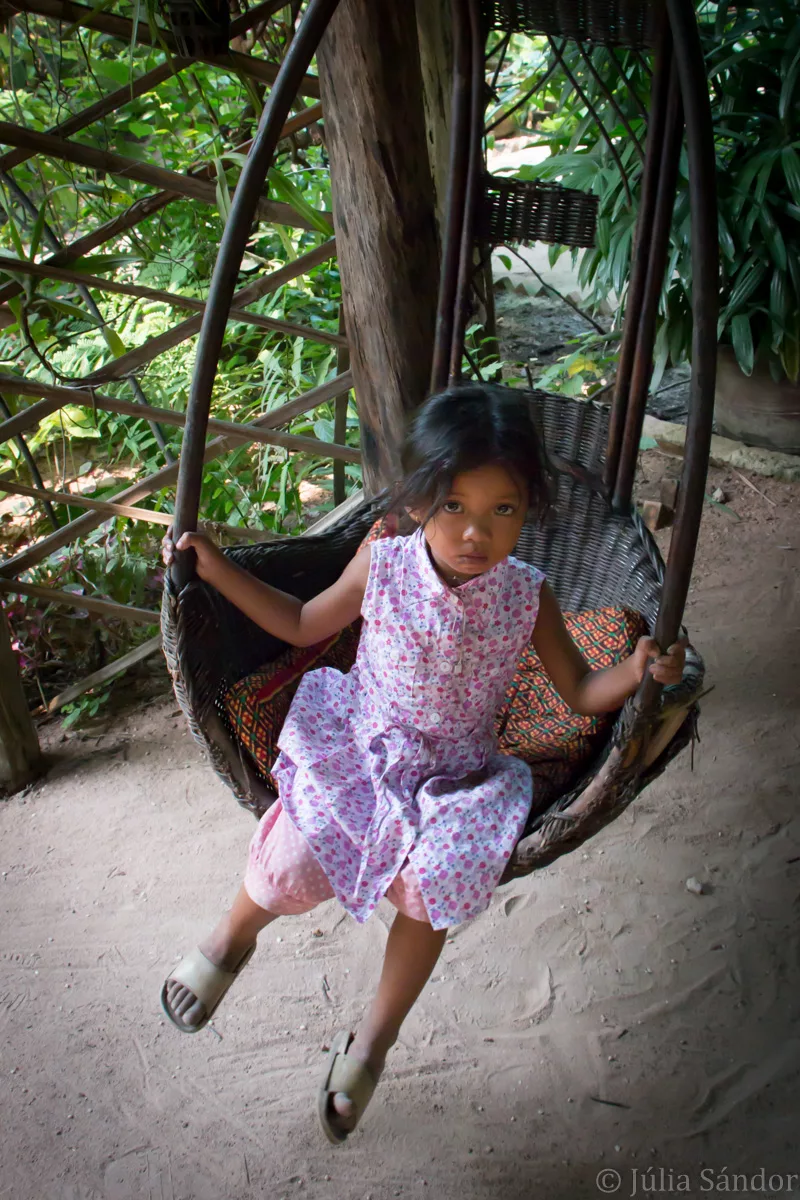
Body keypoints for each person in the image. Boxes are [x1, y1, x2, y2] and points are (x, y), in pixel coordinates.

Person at [159, 384, 685, 1144]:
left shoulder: (527, 596)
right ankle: (231, 937)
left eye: (503, 510)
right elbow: (302, 623)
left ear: (528, 512)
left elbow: (577, 690)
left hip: (457, 776)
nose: (476, 532)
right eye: (454, 507)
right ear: (416, 504)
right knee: (296, 851)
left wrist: (634, 673)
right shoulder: (383, 564)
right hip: (362, 744)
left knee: (435, 887)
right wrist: (214, 571)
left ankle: (373, 1039)